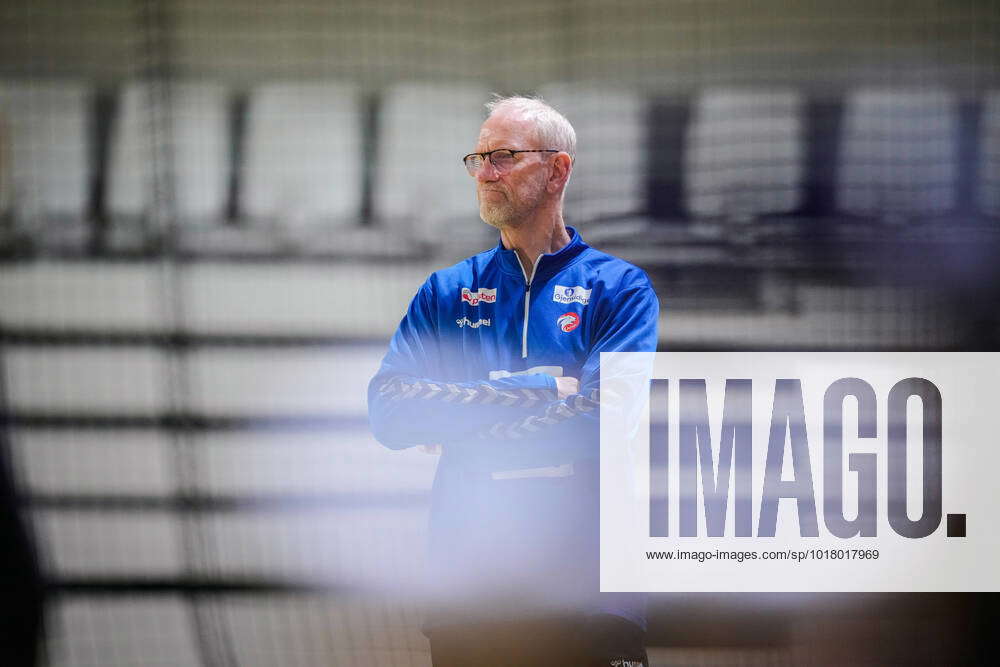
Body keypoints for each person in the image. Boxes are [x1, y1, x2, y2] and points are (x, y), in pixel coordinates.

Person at [368, 95, 658, 667]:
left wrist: (458, 418)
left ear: (558, 169)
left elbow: (606, 417)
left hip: (591, 596)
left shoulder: (621, 288)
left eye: (502, 156)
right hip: (471, 596)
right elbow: (390, 411)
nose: (486, 173)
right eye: (477, 159)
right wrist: (551, 391)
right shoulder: (445, 291)